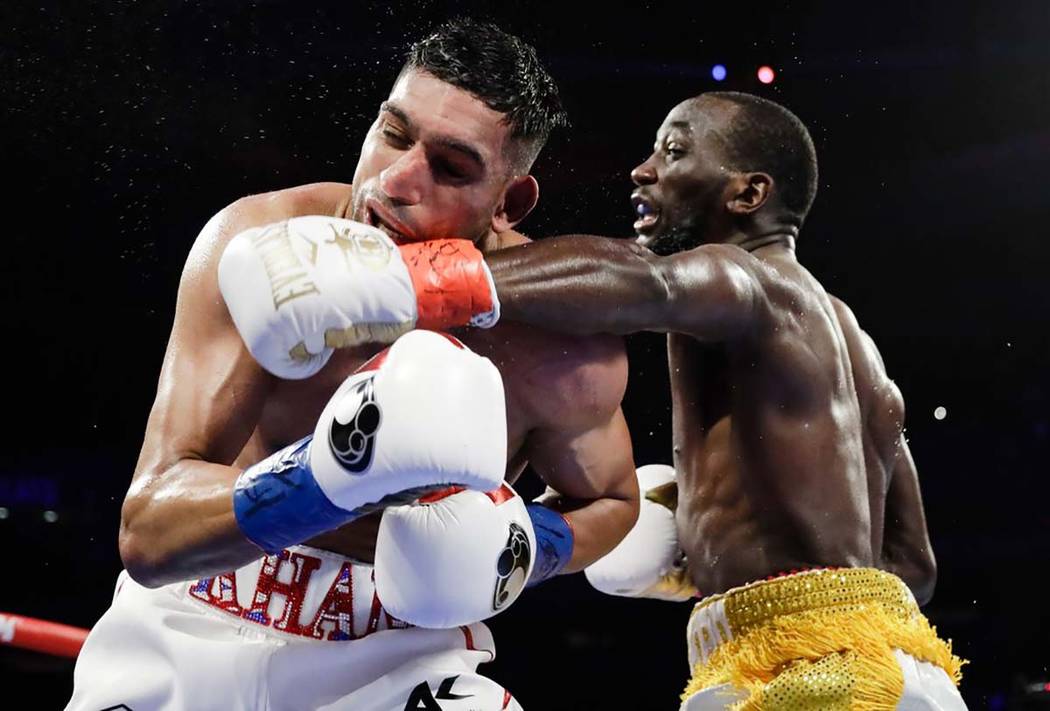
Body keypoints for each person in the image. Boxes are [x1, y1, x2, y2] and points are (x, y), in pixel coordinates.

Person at [324, 91, 969, 709]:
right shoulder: (857, 352)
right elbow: (913, 569)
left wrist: (405, 279)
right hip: (895, 664)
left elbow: (640, 281)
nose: (644, 169)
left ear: (748, 194)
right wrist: (724, 562)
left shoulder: (748, 279)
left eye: (675, 152)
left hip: (812, 679)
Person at [66, 20, 639, 711]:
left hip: (398, 655)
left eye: (451, 168)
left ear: (509, 202)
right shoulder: (258, 247)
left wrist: (520, 546)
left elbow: (612, 498)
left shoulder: (551, 342)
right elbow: (149, 529)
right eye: (394, 135)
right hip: (199, 611)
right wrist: (330, 475)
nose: (395, 182)